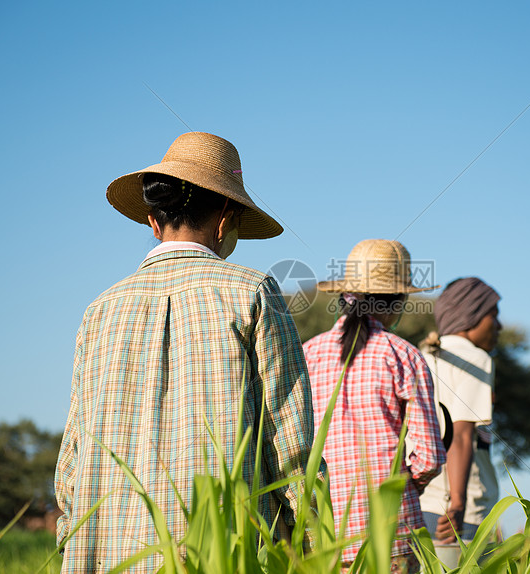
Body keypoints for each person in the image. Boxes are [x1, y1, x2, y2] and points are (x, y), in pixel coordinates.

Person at [54, 132, 321, 572]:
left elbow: (74, 451)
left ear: (154, 223)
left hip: (106, 552)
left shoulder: (99, 310)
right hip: (217, 551)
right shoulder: (252, 292)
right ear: (225, 219)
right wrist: (311, 543)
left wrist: (72, 536)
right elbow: (289, 445)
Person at [303, 239, 446, 574]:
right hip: (393, 533)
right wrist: (409, 482)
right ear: (397, 303)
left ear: (343, 298)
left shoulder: (308, 354)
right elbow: (429, 458)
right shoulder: (404, 356)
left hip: (326, 535)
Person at [419, 277, 502, 543]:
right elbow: (462, 435)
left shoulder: (422, 355)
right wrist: (457, 503)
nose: (498, 326)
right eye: (493, 315)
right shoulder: (475, 359)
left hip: (419, 502)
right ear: (471, 315)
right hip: (458, 513)